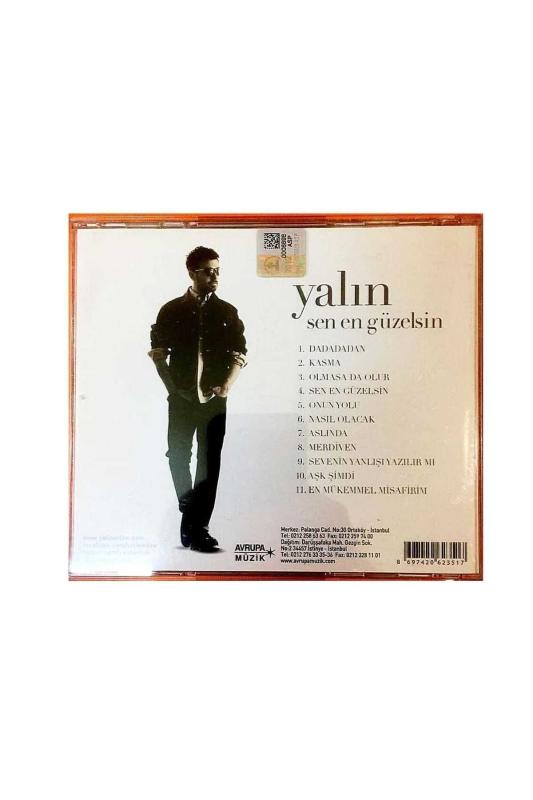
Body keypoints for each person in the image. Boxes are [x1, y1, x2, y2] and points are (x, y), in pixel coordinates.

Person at [148, 246, 247, 552]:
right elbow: (158, 355)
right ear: (192, 273)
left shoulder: (227, 312)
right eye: (207, 271)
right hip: (181, 399)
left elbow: (239, 353)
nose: (214, 276)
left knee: (209, 462)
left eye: (217, 270)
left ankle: (199, 527)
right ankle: (188, 509)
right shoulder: (171, 310)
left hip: (214, 402)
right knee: (178, 455)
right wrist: (172, 389)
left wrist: (226, 386)